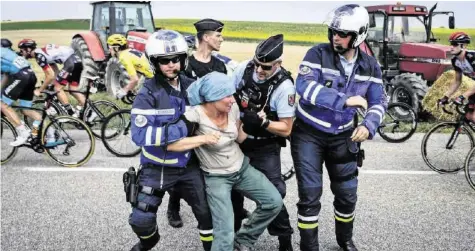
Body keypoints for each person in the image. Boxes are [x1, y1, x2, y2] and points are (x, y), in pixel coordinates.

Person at [291, 4, 387, 251]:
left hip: (344, 135)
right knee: (310, 196)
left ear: (359, 35)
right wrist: (343, 100)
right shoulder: (316, 54)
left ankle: (344, 240)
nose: (336, 37)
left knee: (347, 195)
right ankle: (308, 247)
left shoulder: (370, 65)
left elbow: (378, 101)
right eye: (334, 31)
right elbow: (304, 86)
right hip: (308, 134)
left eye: (342, 33)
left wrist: (368, 125)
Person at [167, 71, 283, 251]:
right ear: (212, 98)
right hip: (216, 177)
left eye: (231, 94)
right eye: (226, 96)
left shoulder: (232, 108)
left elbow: (239, 139)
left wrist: (251, 125)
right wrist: (202, 139)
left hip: (241, 168)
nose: (232, 99)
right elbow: (171, 145)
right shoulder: (194, 115)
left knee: (273, 202)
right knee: (225, 231)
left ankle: (244, 240)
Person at [127, 29, 213, 251]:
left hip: (188, 164)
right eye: (164, 61)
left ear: (183, 59)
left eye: (175, 59)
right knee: (141, 220)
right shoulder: (147, 93)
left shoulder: (192, 85)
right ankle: (149, 242)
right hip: (156, 167)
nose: (171, 65)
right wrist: (183, 127)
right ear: (154, 63)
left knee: (207, 214)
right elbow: (139, 136)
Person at [167, 18, 247, 231]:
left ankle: (231, 213)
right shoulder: (186, 65)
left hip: (214, 125)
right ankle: (173, 205)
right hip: (194, 125)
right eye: (218, 35)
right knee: (183, 167)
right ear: (205, 37)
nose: (222, 39)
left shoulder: (220, 65)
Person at [231, 34, 295, 251]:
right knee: (231, 189)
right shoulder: (244, 69)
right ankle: (235, 234)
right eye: (257, 64)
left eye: (266, 67)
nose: (259, 70)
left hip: (265, 146)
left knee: (274, 193)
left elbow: (286, 129)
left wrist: (263, 122)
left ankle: (285, 239)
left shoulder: (284, 87)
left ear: (278, 64)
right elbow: (228, 97)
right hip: (238, 139)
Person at [17, 39, 85, 117]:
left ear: (28, 49)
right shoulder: (43, 53)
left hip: (70, 63)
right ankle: (89, 112)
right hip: (77, 61)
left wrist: (40, 90)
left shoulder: (39, 57)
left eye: (22, 51)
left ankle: (71, 114)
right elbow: (55, 72)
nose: (21, 53)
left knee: (57, 88)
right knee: (73, 89)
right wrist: (51, 83)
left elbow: (50, 76)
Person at [1, 39, 43, 146]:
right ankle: (46, 132)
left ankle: (23, 133)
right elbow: (6, 76)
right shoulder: (8, 53)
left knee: (3, 105)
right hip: (31, 75)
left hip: (21, 76)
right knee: (26, 110)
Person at [438, 32, 475, 120]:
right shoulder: (455, 61)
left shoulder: (472, 57)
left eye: (454, 44)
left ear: (464, 46)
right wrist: (446, 96)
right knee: (468, 116)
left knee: (474, 117)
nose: (451, 47)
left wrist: (463, 96)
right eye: (451, 44)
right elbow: (457, 81)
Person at [106, 34, 154, 98]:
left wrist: (124, 91)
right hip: (152, 74)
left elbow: (134, 79)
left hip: (152, 78)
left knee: (140, 101)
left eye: (109, 48)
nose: (109, 50)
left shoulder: (123, 57)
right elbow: (139, 72)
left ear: (116, 48)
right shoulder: (130, 51)